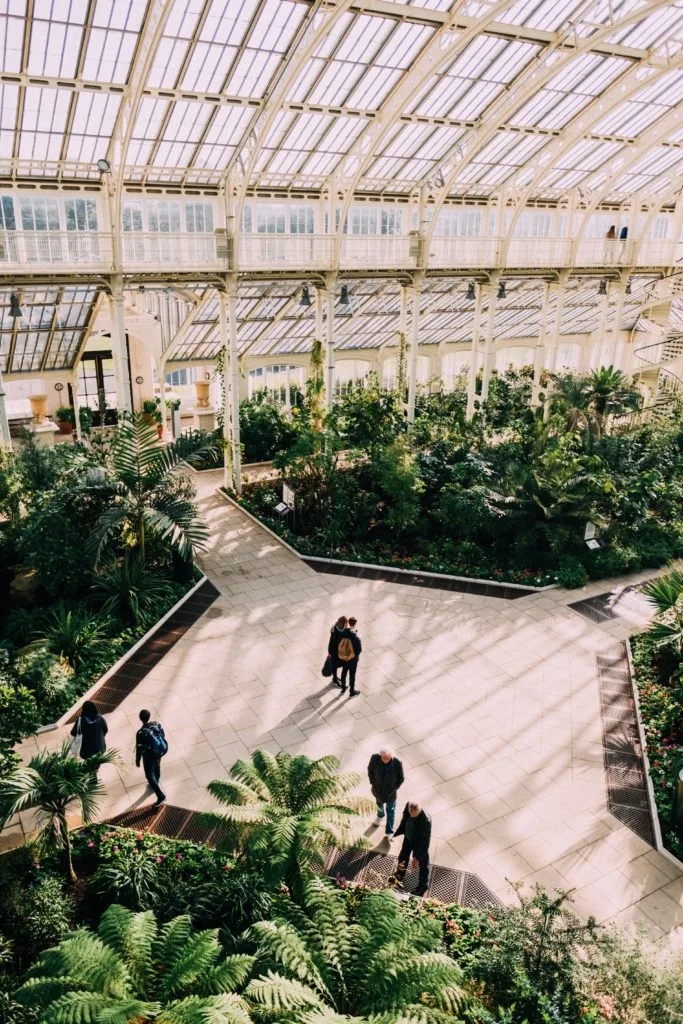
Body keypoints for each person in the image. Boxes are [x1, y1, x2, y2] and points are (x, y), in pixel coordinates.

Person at [391, 800, 432, 897]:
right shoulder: (408, 805)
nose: (412, 816)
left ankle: (422, 886)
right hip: (409, 837)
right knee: (403, 856)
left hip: (419, 842)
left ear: (419, 810)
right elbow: (404, 819)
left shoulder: (426, 820)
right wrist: (396, 833)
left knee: (424, 864)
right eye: (411, 814)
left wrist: (417, 857)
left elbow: (425, 841)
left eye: (415, 816)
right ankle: (400, 874)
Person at [368, 747, 404, 836]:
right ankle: (380, 816)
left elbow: (401, 778)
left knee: (390, 811)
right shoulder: (374, 758)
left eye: (387, 757)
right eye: (383, 757)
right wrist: (373, 783)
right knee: (379, 805)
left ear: (391, 756)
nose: (385, 759)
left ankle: (389, 831)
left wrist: (394, 788)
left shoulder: (397, 763)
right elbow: (370, 770)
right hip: (378, 791)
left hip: (390, 793)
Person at [135, 709, 168, 806]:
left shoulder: (141, 733)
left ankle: (160, 796)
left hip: (149, 755)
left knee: (149, 775)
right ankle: (156, 781)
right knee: (157, 766)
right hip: (159, 751)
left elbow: (139, 747)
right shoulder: (157, 724)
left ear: (140, 719)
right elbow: (163, 735)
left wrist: (137, 760)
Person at [339, 616, 361, 697]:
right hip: (352, 659)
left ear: (349, 623)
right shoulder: (356, 638)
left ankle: (343, 688)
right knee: (352, 675)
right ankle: (352, 692)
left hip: (344, 656)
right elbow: (359, 650)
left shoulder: (343, 632)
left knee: (344, 672)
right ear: (355, 624)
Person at [328, 615, 347, 687]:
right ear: (343, 623)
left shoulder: (335, 627)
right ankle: (335, 680)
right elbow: (339, 641)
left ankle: (335, 678)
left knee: (335, 664)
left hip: (332, 649)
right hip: (335, 651)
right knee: (336, 664)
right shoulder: (339, 632)